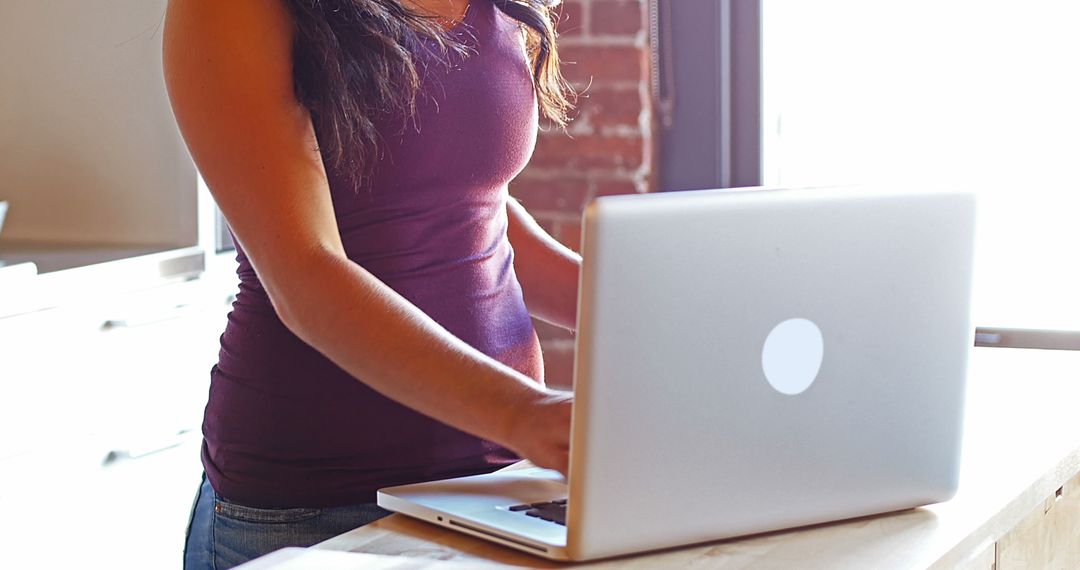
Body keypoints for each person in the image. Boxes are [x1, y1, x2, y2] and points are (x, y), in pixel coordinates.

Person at [163, 0, 581, 567]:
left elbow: (474, 214)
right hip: (316, 508)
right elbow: (304, 273)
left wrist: (663, 311)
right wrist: (524, 413)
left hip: (500, 487)